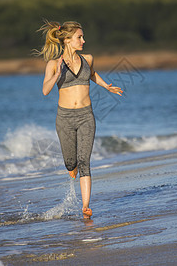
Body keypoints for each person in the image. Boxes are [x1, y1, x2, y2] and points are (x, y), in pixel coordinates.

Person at [37, 20, 123, 219]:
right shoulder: (53, 64)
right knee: (70, 163)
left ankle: (85, 206)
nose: (83, 40)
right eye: (79, 37)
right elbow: (45, 90)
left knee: (85, 161)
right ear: (67, 40)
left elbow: (91, 74)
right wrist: (57, 73)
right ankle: (71, 167)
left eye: (82, 37)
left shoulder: (88, 58)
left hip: (86, 116)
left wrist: (106, 86)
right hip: (65, 118)